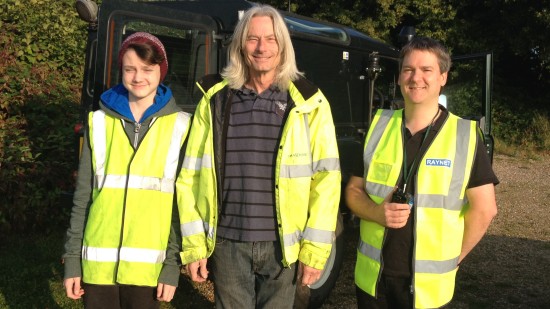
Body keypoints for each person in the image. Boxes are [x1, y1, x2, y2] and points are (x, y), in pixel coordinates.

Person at [176, 4, 341, 308]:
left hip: (284, 250)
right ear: (240, 45)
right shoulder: (214, 99)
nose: (262, 47)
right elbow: (189, 177)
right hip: (227, 244)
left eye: (270, 39)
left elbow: (327, 182)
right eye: (252, 39)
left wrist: (315, 252)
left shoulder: (309, 103)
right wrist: (195, 246)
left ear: (283, 46)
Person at [345, 37, 498, 309]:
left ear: (442, 77)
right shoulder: (378, 127)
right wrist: (376, 213)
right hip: (373, 283)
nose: (416, 78)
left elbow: (485, 209)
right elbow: (354, 191)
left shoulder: (464, 135)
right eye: (408, 70)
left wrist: (456, 257)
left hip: (428, 291)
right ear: (400, 77)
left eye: (426, 70)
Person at [62, 32, 191, 308]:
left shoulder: (181, 126)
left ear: (161, 71)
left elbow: (181, 207)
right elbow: (82, 199)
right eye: (130, 68)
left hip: (147, 272)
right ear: (121, 70)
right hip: (97, 268)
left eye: (147, 69)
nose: (138, 77)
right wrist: (72, 260)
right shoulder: (97, 122)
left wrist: (171, 264)